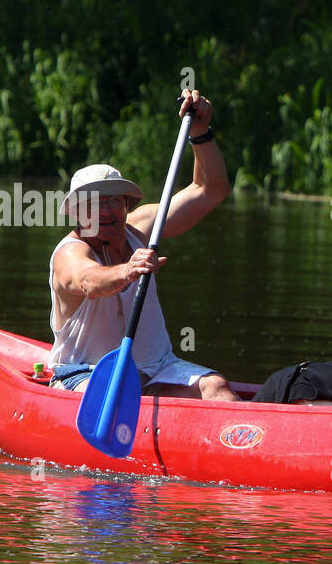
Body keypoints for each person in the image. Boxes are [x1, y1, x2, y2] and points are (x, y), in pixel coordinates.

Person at [47, 89, 240, 402]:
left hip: (157, 369)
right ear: (79, 211)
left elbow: (210, 190)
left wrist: (201, 132)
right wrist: (127, 270)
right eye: (95, 204)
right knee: (114, 393)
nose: (107, 211)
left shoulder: (143, 228)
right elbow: (87, 281)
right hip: (85, 373)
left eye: (114, 201)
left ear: (126, 205)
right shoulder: (70, 252)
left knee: (215, 386)